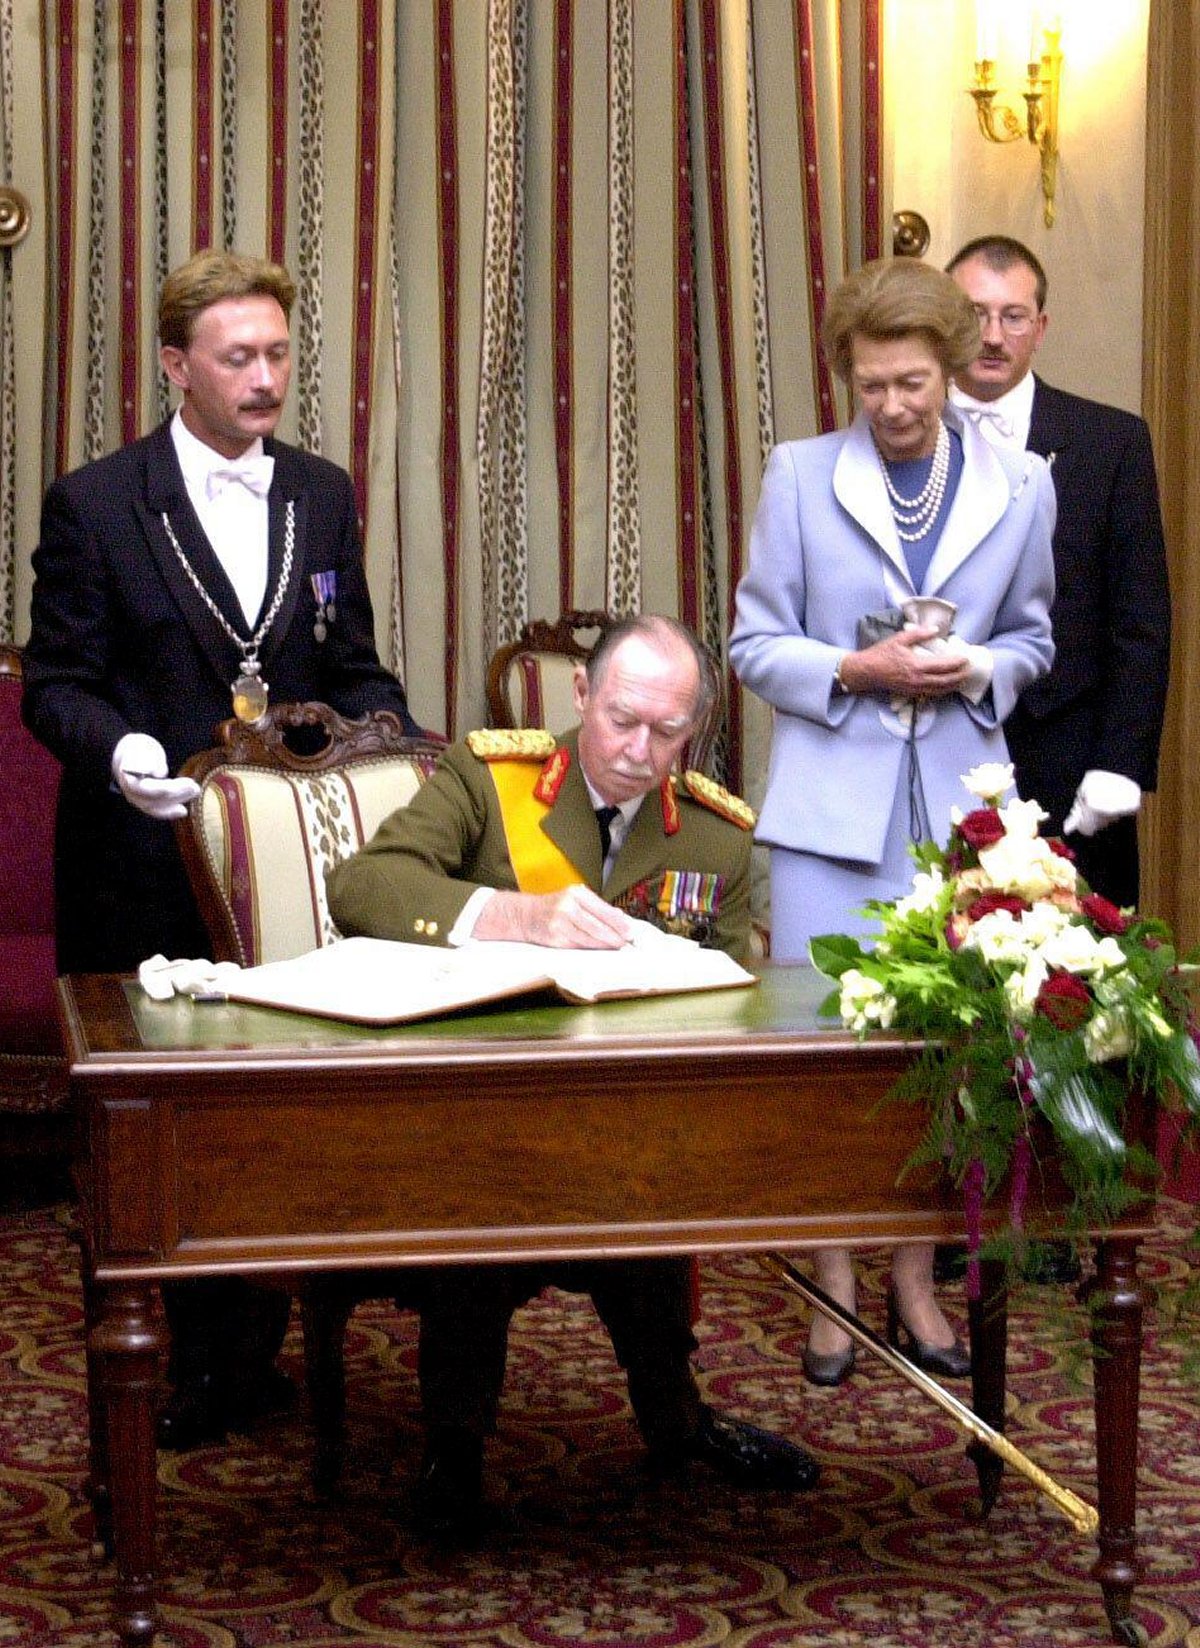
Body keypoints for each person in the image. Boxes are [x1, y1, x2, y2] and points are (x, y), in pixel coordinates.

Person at [23, 247, 422, 1450]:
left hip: (285, 880)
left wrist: (398, 740)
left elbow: (347, 666)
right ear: (175, 366)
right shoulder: (96, 502)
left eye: (278, 355)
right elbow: (56, 686)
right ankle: (174, 1357)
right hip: (137, 860)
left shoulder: (323, 491)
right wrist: (123, 751)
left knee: (268, 1113)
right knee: (161, 1128)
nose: (264, 379)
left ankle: (251, 1347)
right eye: (238, 356)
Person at [327, 614, 820, 1537]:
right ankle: (456, 1448)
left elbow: (730, 1000)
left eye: (667, 733)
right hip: (480, 1111)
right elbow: (364, 886)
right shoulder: (492, 777)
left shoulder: (714, 837)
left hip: (629, 1122)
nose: (640, 752)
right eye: (622, 720)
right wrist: (516, 917)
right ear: (583, 697)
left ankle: (677, 1421)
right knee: (488, 1206)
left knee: (642, 1194)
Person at [729, 257, 1056, 1387]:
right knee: (829, 1051)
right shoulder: (800, 476)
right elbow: (754, 643)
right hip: (831, 810)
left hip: (961, 813)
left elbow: (1034, 638)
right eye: (871, 387)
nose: (894, 407)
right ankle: (833, 1277)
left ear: (956, 364)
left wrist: (978, 667)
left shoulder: (1022, 486)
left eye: (912, 382)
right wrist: (853, 667)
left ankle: (916, 1274)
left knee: (945, 1052)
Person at [946, 235, 1170, 912]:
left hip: (1070, 768)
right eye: (972, 313)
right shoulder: (896, 434)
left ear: (1040, 327)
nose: (991, 335)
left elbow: (1141, 624)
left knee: (1074, 991)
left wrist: (1120, 765)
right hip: (935, 749)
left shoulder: (1112, 443)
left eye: (1013, 315)